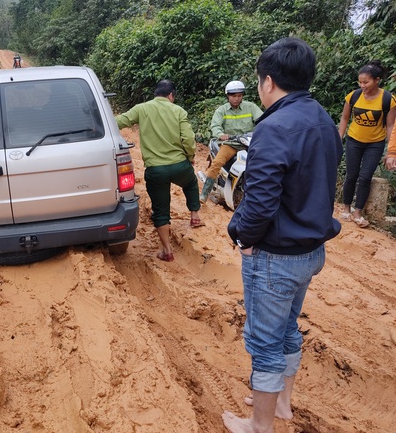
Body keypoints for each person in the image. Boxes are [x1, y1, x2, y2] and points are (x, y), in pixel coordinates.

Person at [224, 37, 343, 433]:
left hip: (276, 257)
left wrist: (241, 235)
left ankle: (259, 425)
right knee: (288, 328)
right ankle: (282, 405)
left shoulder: (274, 127)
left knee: (264, 342)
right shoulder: (323, 120)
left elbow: (258, 203)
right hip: (311, 251)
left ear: (268, 82)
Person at [115, 79, 204, 263]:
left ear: (156, 93)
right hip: (179, 164)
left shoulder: (142, 108)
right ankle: (194, 216)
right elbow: (188, 138)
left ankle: (167, 250)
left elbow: (119, 122)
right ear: (171, 95)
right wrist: (190, 156)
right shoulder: (178, 110)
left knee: (161, 210)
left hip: (156, 170)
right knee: (191, 182)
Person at [338, 60, 396, 228]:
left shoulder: (388, 99)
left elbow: (391, 125)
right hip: (353, 140)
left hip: (375, 143)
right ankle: (346, 208)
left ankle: (358, 212)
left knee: (365, 177)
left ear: (377, 80)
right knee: (351, 175)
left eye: (366, 82)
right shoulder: (353, 96)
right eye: (360, 82)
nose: (362, 85)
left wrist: (391, 151)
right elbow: (344, 118)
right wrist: (338, 138)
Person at [199, 80, 263, 203]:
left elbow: (261, 120)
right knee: (217, 163)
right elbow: (215, 126)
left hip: (249, 143)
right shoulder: (221, 110)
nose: (237, 99)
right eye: (234, 96)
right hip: (231, 144)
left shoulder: (251, 107)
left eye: (239, 96)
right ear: (228, 96)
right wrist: (221, 134)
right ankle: (204, 193)